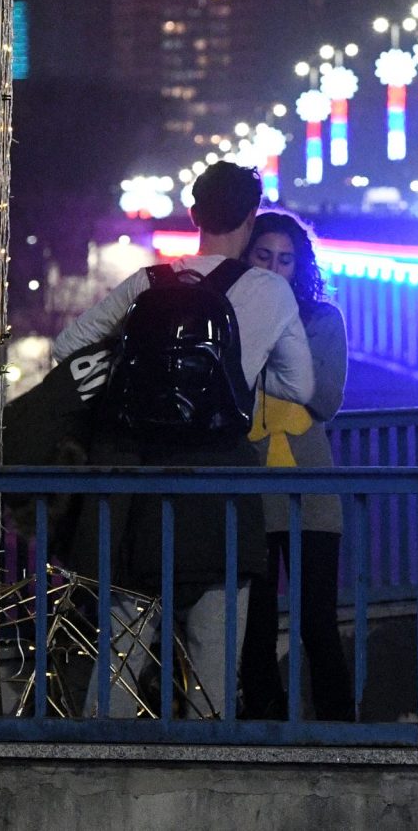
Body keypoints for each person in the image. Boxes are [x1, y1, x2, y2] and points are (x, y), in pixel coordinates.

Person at [50, 162, 314, 715]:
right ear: (250, 216)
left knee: (121, 654)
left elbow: (68, 346)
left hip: (141, 490)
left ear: (193, 215)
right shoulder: (269, 291)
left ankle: (100, 771)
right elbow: (300, 385)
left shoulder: (150, 282)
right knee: (213, 669)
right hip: (221, 493)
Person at [234, 210, 356, 720]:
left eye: (285, 260)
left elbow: (324, 399)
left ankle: (341, 735)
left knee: (317, 623)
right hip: (251, 494)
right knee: (254, 628)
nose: (274, 267)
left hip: (311, 494)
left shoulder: (323, 320)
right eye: (263, 256)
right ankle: (265, 733)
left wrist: (270, 350)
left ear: (298, 266)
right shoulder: (229, 315)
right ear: (247, 258)